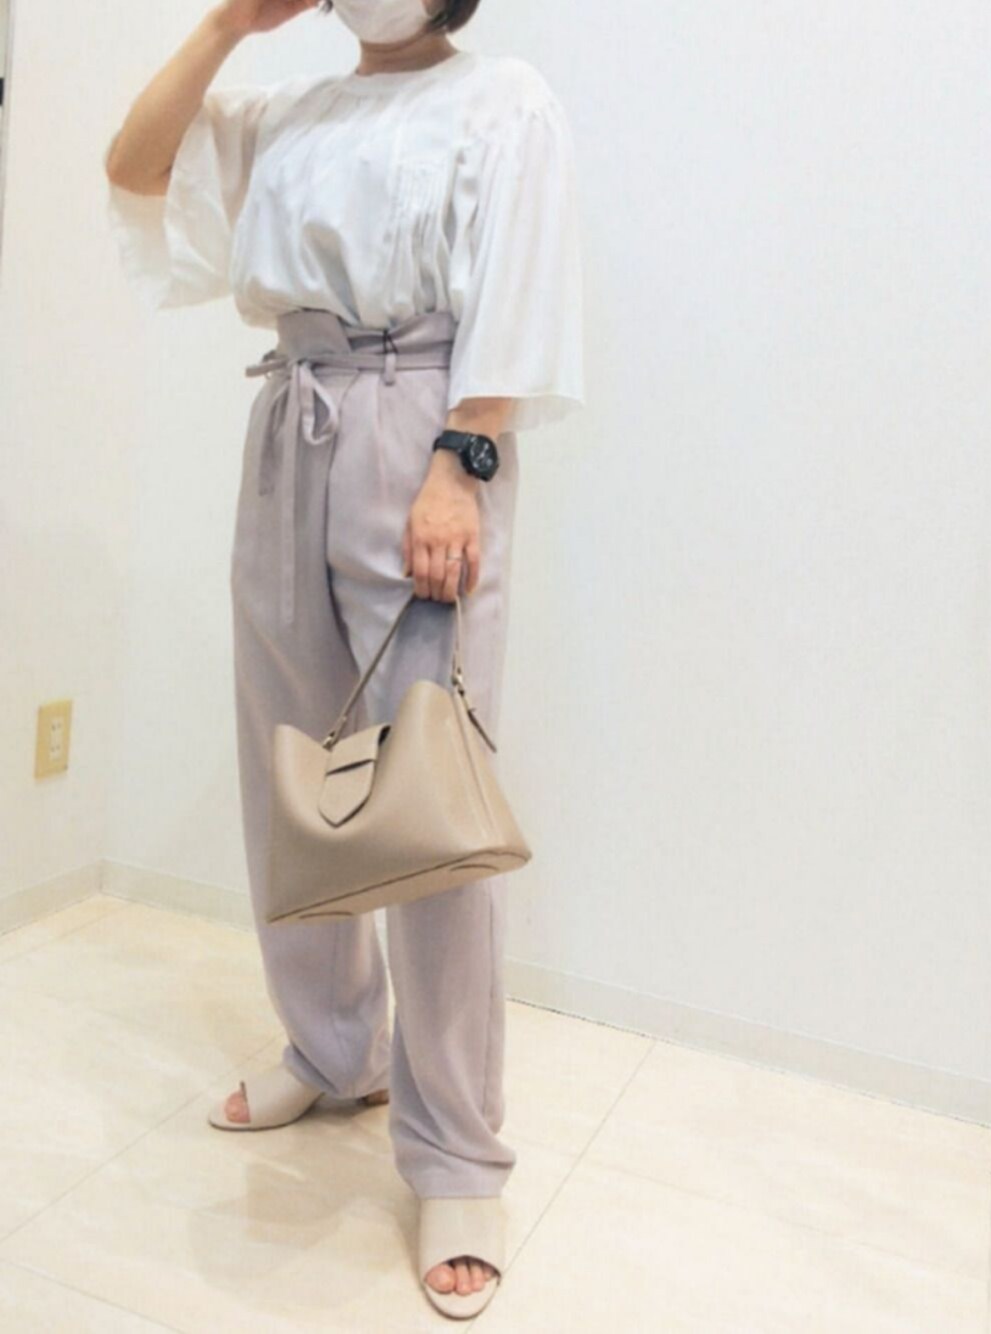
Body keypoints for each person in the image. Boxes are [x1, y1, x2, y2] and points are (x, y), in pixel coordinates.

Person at [103, 0, 585, 1317]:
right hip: (291, 414)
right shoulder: (292, 112)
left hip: (423, 428)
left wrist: (461, 464)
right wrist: (228, 23)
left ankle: (458, 1152)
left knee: (428, 798)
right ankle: (331, 1047)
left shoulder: (502, 98)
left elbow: (521, 287)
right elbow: (134, 166)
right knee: (291, 754)